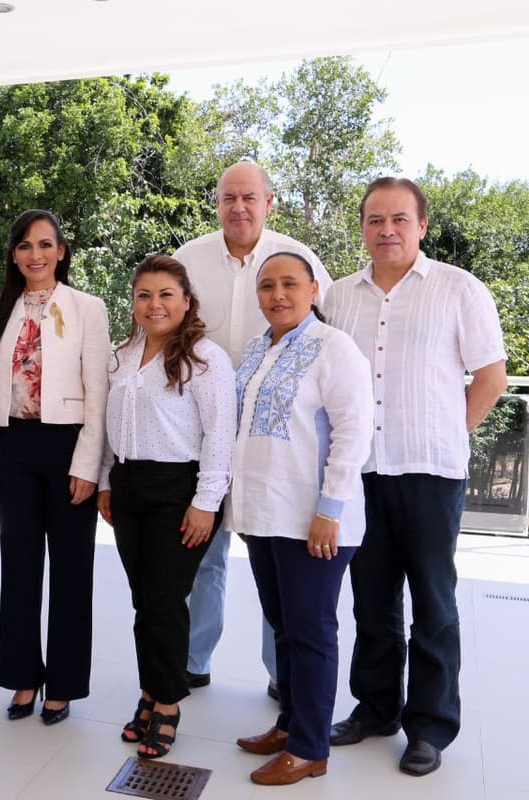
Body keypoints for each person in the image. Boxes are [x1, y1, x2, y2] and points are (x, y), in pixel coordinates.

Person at [324, 177, 508, 776]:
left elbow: (491, 379)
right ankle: (376, 708)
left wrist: (451, 433)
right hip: (363, 474)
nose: (387, 230)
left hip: (431, 473)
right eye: (375, 219)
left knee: (433, 603)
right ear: (362, 227)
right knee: (371, 599)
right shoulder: (339, 297)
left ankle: (429, 726)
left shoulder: (459, 289)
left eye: (399, 219)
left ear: (422, 225)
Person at [173, 161, 333, 695]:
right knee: (203, 553)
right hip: (202, 434)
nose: (238, 207)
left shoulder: (299, 259)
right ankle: (193, 660)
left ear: (269, 201)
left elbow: (326, 338)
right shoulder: (188, 260)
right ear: (217, 203)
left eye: (249, 197)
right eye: (228, 198)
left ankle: (282, 673)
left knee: (280, 559)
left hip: (277, 437)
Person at [230, 252, 374, 786]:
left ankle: (310, 748)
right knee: (283, 626)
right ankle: (289, 723)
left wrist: (329, 510)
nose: (277, 295)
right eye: (267, 286)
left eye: (290, 284)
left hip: (313, 520)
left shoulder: (334, 348)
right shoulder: (256, 348)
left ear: (314, 289)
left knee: (311, 632)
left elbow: (354, 433)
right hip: (264, 514)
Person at [96, 255, 235, 759]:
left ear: (187, 301)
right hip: (128, 487)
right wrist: (106, 481)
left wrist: (206, 502)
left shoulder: (206, 359)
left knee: (164, 601)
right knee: (145, 601)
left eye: (165, 295)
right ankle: (150, 691)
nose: (154, 305)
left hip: (180, 490)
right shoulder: (123, 355)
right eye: (144, 295)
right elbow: (111, 424)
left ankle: (168, 704)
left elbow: (220, 434)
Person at [0, 210, 110, 725]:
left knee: (72, 571)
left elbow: (98, 393)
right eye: (26, 246)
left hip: (68, 446)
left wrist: (89, 465)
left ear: (61, 252)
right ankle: (23, 677)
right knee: (19, 568)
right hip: (14, 446)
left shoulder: (87, 308)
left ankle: (65, 685)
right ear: (14, 254)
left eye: (46, 245)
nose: (36, 254)